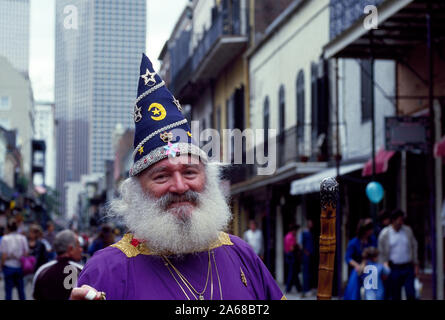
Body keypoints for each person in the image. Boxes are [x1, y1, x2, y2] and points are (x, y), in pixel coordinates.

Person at [70, 53, 284, 300]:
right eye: (162, 177)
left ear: (208, 179)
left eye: (190, 172)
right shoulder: (106, 270)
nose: (181, 186)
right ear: (136, 191)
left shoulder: (241, 255)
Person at [378, 209, 418, 300]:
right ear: (393, 220)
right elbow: (381, 252)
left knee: (411, 293)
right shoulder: (385, 234)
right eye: (399, 220)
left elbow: (414, 246)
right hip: (394, 268)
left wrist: (416, 265)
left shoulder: (407, 230)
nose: (401, 222)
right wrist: (384, 266)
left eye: (402, 220)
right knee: (395, 294)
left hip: (407, 266)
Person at [32, 230, 83, 300]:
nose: (81, 249)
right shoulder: (81, 271)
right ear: (70, 249)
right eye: (78, 245)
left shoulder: (41, 271)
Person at [343, 219, 377, 300]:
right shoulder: (354, 242)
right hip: (358, 267)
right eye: (369, 228)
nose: (371, 230)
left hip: (370, 266)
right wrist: (357, 266)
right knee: (355, 277)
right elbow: (348, 258)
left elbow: (376, 253)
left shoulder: (372, 240)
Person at [0, 219, 28, 300]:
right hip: (19, 266)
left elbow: (4, 255)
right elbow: (26, 253)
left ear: (8, 228)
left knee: (8, 291)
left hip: (8, 266)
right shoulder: (23, 238)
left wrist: (1, 266)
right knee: (21, 290)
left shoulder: (5, 239)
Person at [283, 224, 302, 294]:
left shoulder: (289, 236)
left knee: (294, 272)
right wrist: (297, 247)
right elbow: (292, 248)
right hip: (291, 255)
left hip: (290, 255)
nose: (296, 232)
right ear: (293, 230)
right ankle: (288, 288)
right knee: (292, 272)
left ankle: (298, 288)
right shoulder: (290, 237)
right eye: (296, 231)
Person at [298, 218, 315, 297]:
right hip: (306, 255)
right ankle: (305, 289)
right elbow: (300, 244)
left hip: (310, 255)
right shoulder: (304, 233)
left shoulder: (310, 233)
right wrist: (305, 252)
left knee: (309, 272)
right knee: (306, 272)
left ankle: (308, 288)